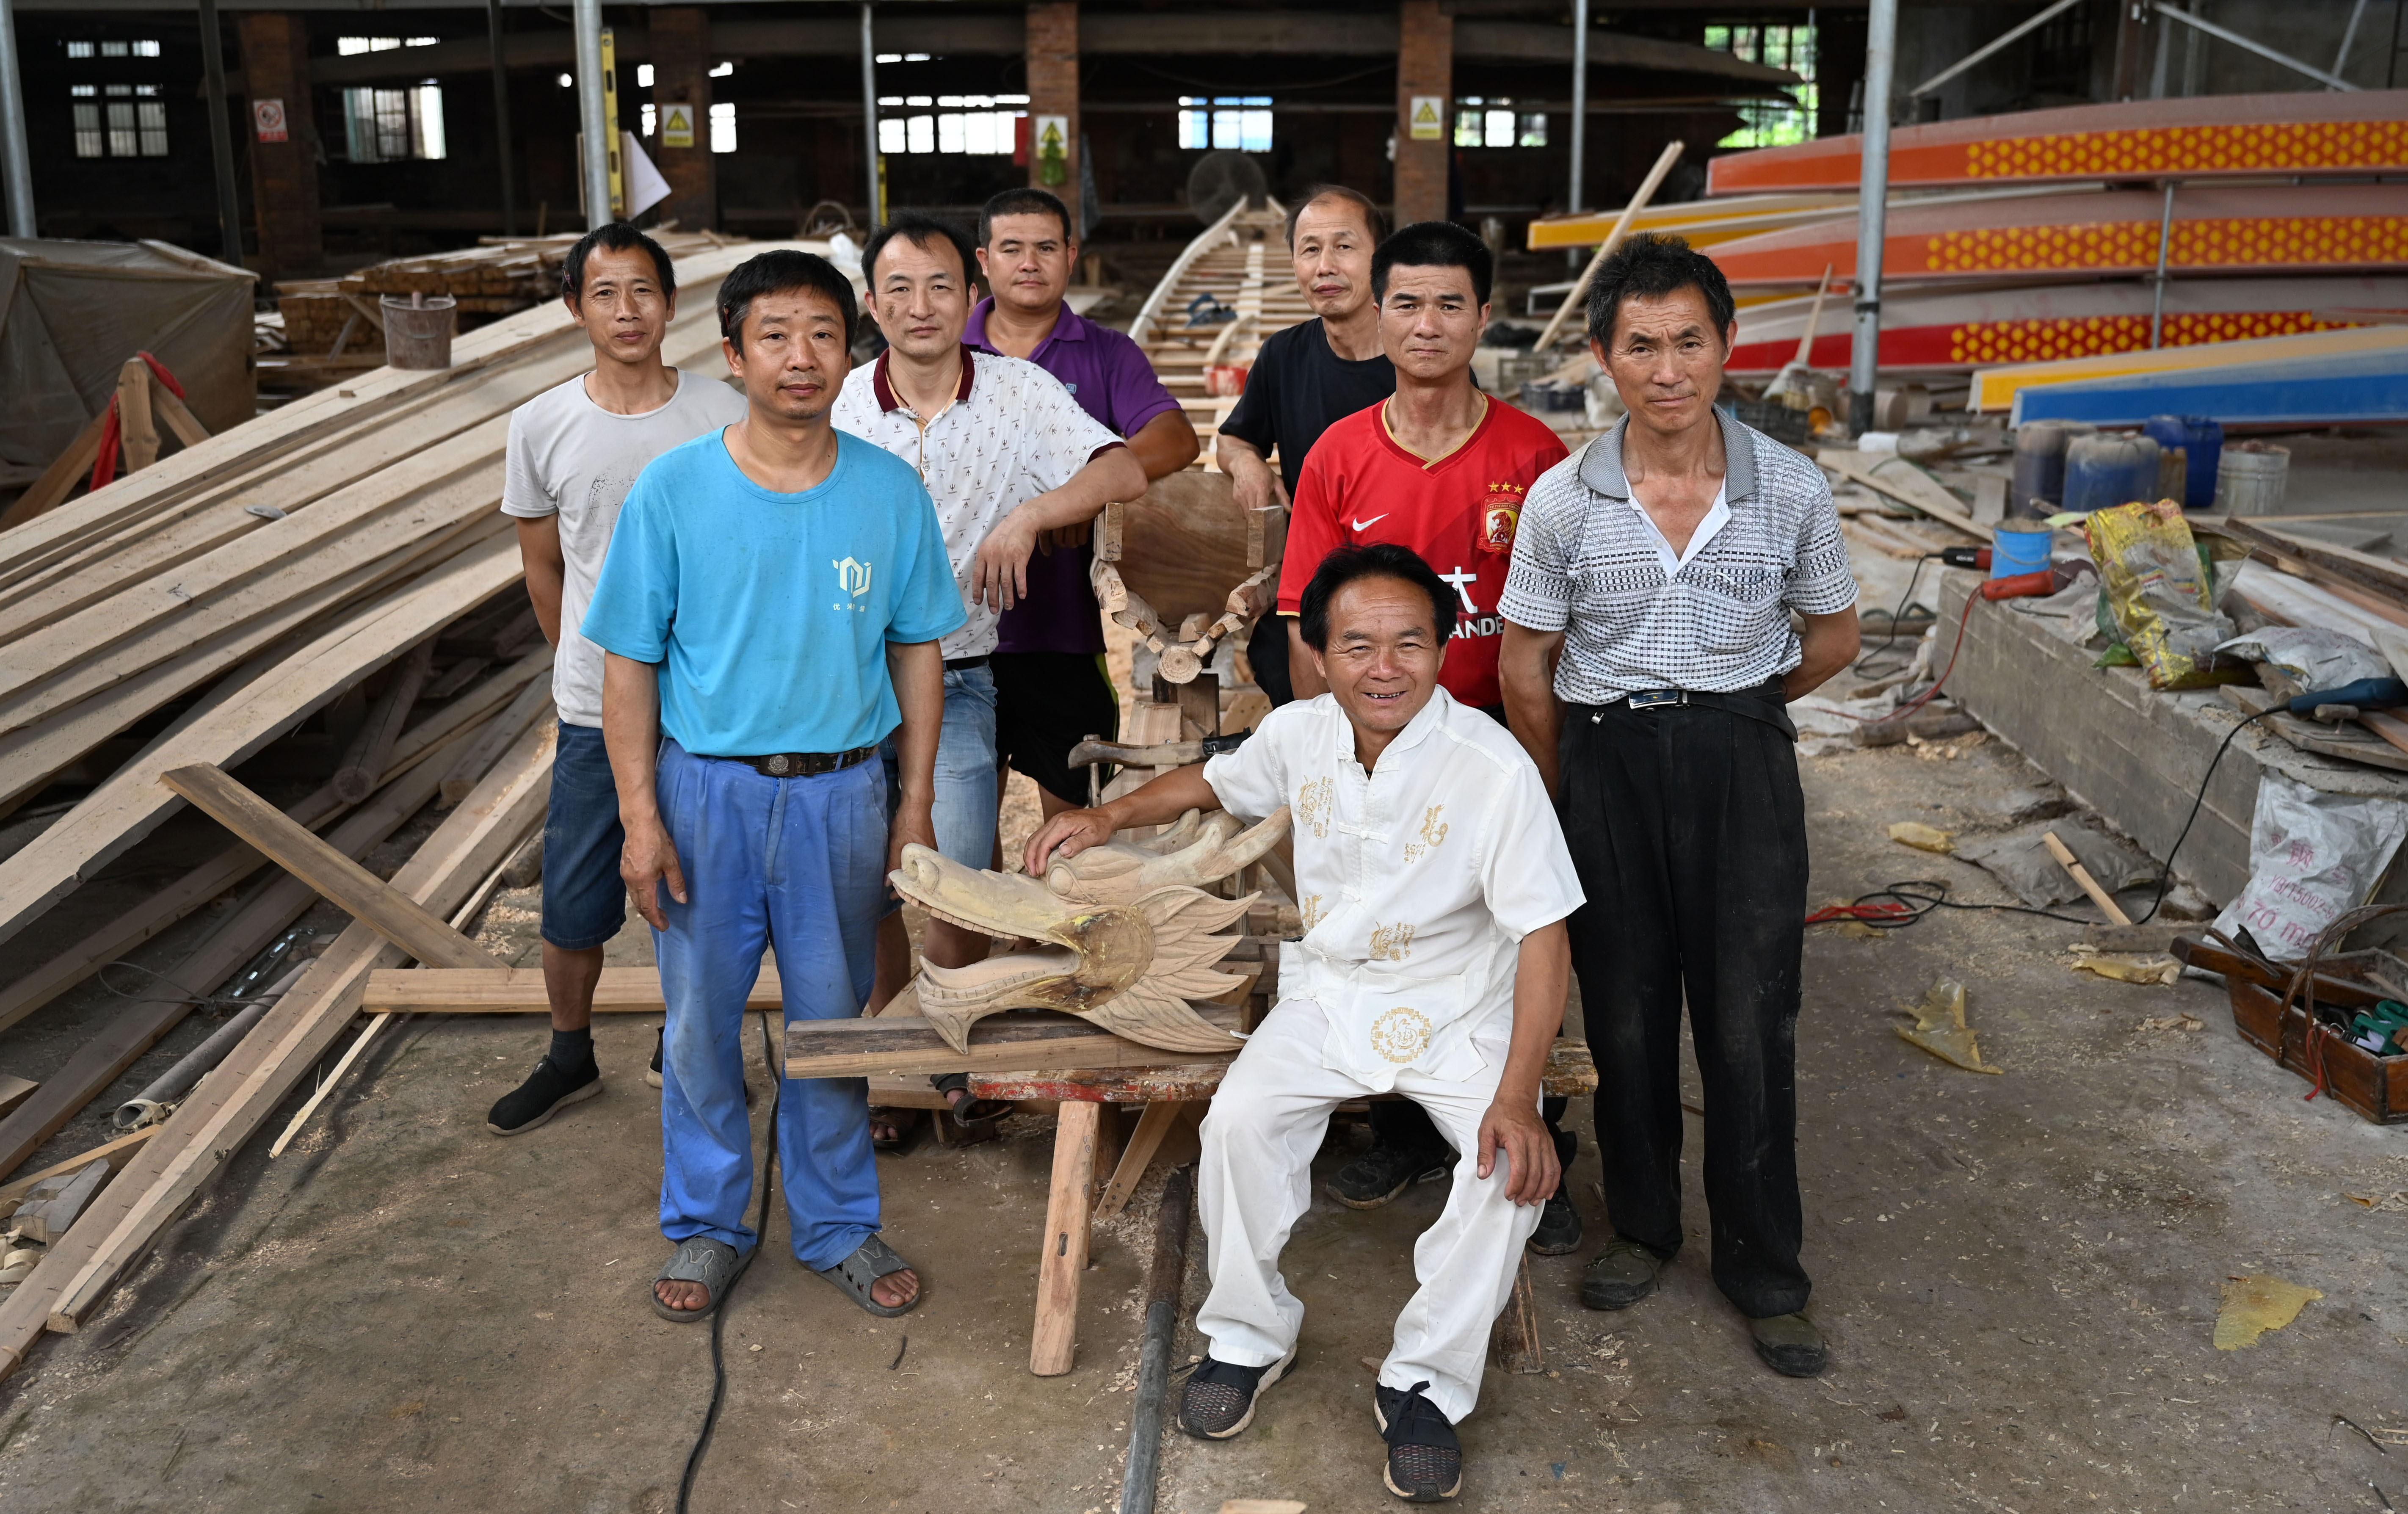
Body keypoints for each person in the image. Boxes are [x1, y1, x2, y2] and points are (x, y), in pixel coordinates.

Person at [1026, 544, 1582, 1504]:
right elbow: (1213, 781)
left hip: (1458, 1002)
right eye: (1357, 643)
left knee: (1505, 1171)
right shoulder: (1299, 732)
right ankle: (1246, 1334)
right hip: (1330, 988)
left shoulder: (1492, 767)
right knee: (1237, 1121)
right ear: (1319, 654)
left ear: (1444, 647)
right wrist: (1110, 819)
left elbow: (1543, 936)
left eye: (1409, 641)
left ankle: (1425, 1384)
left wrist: (1518, 1097)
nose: (1384, 665)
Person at [1496, 234, 1861, 1379]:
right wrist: (1567, 788)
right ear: (1605, 356)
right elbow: (1525, 667)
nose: (1667, 368)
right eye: (1640, 345)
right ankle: (1644, 1228)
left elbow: (1835, 638)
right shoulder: (1563, 500)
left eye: (1688, 341)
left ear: (1725, 347)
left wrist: (1739, 705)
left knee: (1753, 1022)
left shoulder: (1791, 488)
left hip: (1743, 763)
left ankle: (1766, 1273)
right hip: (1605, 759)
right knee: (1629, 1012)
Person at [581, 249, 965, 1321]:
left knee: (829, 1020)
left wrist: (915, 800)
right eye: (775, 335)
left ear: (854, 350)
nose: (801, 358)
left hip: (843, 795)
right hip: (706, 790)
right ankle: (707, 1220)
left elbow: (919, 652)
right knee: (700, 1022)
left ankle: (836, 1219)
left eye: (823, 335)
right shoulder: (674, 488)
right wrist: (641, 817)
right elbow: (629, 661)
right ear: (733, 352)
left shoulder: (888, 490)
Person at [1273, 219, 1581, 1246]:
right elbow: (1301, 627)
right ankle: (1409, 1125)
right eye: (1405, 302)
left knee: (1518, 935)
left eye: (1450, 303)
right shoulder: (1339, 455)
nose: (1426, 323)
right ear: (1377, 311)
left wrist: (1543, 767)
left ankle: (1541, 1135)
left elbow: (1551, 632)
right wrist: (1327, 754)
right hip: (1376, 751)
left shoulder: (1534, 456)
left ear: (1484, 317)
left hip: (1496, 741)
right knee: (1398, 931)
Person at [831, 211, 1149, 1134]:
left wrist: (1032, 517)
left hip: (963, 671)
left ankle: (950, 1051)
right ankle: (899, 1055)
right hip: (844, 681)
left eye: (938, 286)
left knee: (956, 870)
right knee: (865, 876)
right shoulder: (844, 403)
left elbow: (1124, 470)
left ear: (969, 296)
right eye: (898, 289)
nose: (920, 306)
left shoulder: (1020, 390)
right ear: (871, 304)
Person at [487, 221, 748, 1137]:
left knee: (704, 891)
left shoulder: (723, 412)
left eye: (643, 291)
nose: (626, 310)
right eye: (604, 293)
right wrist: (589, 662)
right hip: (597, 710)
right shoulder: (542, 423)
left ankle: (685, 1044)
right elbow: (543, 567)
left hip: (712, 708)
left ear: (670, 305)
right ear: (574, 308)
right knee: (576, 898)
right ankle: (569, 1054)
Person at [967, 186, 1199, 827]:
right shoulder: (946, 354)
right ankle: (982, 930)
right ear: (984, 260)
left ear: (1072, 255)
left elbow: (1175, 438)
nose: (1029, 262)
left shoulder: (1105, 353)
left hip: (1059, 630)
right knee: (965, 821)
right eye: (1011, 249)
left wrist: (1077, 496)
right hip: (954, 635)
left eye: (1046, 247)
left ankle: (1054, 930)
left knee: (1071, 816)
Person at [1216, 184, 1394, 709]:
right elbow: (1233, 436)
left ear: (1379, 260)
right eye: (1309, 249)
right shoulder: (1284, 356)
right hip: (1312, 578)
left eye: (1344, 247)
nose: (1325, 266)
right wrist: (1246, 462)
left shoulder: (1420, 357)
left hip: (1401, 576)